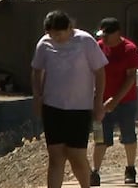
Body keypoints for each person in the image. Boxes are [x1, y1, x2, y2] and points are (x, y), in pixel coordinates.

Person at [32, 10, 108, 188]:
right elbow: (37, 70)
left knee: (76, 156)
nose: (56, 38)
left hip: (79, 108)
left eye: (59, 34)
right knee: (56, 156)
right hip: (52, 107)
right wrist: (37, 96)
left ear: (69, 28)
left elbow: (100, 72)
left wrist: (98, 102)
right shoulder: (44, 44)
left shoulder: (85, 41)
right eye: (51, 34)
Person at [91, 18, 138, 186]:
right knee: (100, 137)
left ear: (117, 33)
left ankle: (130, 168)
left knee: (128, 135)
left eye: (107, 35)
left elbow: (131, 77)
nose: (103, 39)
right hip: (101, 101)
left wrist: (116, 99)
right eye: (102, 35)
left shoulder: (129, 49)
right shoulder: (98, 47)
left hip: (126, 100)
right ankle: (95, 171)